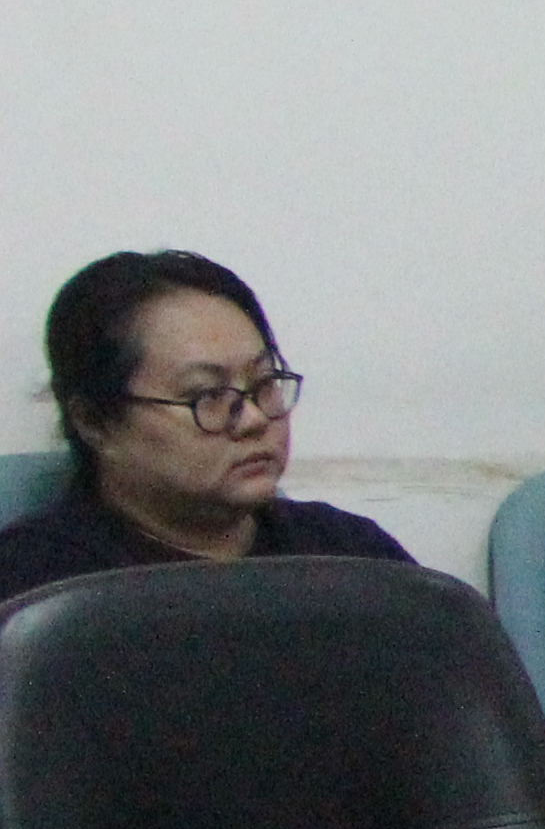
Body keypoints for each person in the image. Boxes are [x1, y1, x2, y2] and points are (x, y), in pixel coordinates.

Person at [0, 251, 410, 603]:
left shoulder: (350, 554)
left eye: (265, 383)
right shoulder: (35, 588)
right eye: (208, 395)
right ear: (95, 422)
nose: (254, 419)